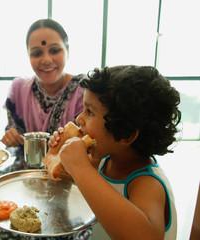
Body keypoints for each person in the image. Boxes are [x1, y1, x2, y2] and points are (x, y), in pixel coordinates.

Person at [49, 65, 181, 239]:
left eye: (90, 112)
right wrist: (58, 154)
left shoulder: (147, 183)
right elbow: (72, 178)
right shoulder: (106, 161)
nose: (79, 118)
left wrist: (80, 167)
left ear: (126, 134)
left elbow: (145, 235)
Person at [1, 18, 85, 147]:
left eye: (55, 50)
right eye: (36, 53)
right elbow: (14, 131)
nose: (46, 60)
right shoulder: (18, 90)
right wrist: (11, 137)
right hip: (28, 167)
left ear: (67, 50)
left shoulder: (84, 91)